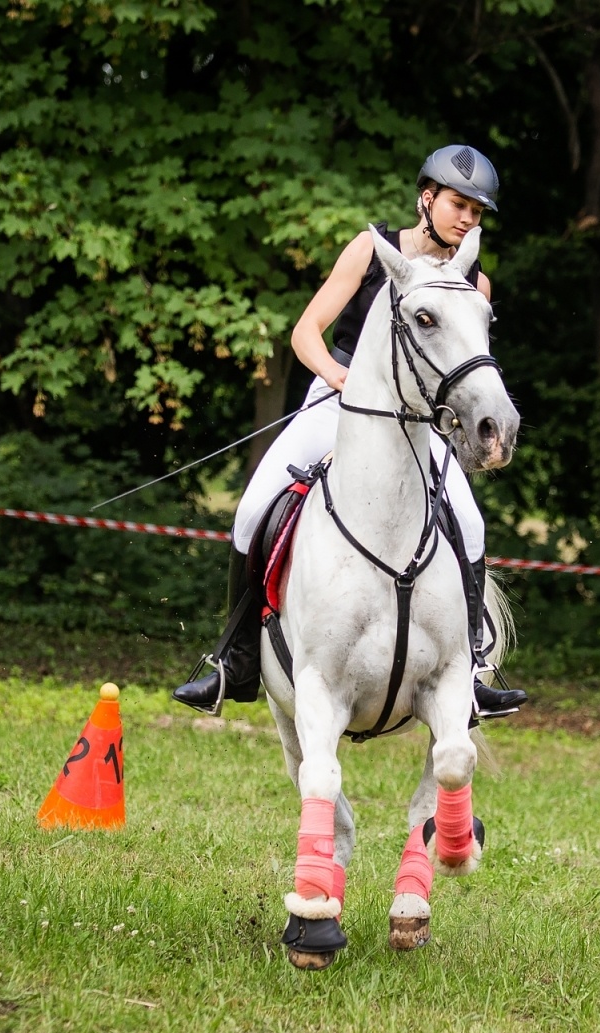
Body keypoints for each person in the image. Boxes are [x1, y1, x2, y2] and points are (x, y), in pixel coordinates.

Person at [173, 145, 527, 719]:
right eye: (458, 204)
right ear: (427, 198)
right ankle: (235, 660)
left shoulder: (472, 284)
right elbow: (306, 332)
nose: (466, 219)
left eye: (476, 212)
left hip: (416, 419)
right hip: (339, 402)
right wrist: (341, 378)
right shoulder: (370, 249)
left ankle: (474, 672)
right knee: (251, 509)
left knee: (470, 523)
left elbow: (461, 373)